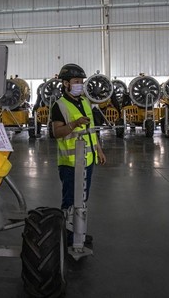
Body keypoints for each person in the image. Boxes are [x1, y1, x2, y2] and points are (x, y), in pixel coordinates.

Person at [51, 63, 106, 230]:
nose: (79, 84)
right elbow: (57, 132)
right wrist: (74, 123)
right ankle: (67, 235)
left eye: (81, 81)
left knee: (82, 198)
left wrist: (99, 150)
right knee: (70, 201)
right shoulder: (59, 106)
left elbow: (91, 130)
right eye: (76, 81)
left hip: (87, 161)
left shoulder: (84, 101)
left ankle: (78, 234)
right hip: (70, 163)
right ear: (66, 83)